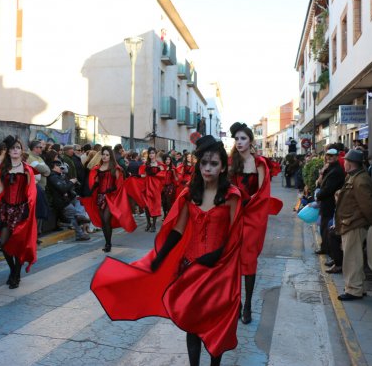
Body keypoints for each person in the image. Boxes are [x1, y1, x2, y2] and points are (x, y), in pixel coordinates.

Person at [91, 136, 242, 365]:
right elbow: (178, 231)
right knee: (192, 323)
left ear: (223, 167)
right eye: (204, 163)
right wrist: (159, 258)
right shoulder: (191, 194)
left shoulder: (231, 196)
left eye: (213, 163)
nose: (208, 168)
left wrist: (213, 259)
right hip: (189, 268)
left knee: (214, 324)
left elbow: (234, 238)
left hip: (218, 271)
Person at [228, 122, 283, 325]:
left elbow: (261, 194)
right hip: (234, 216)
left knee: (249, 260)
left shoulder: (259, 163)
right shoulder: (230, 162)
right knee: (232, 261)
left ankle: (248, 304)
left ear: (250, 140)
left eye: (243, 138)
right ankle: (237, 303)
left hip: (251, 217)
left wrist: (246, 203)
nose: (239, 142)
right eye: (237, 139)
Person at [0, 136, 37, 289]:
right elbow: (0, 188)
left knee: (18, 244)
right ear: (8, 151)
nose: (15, 150)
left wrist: (27, 208)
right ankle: (14, 270)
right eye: (12, 148)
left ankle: (16, 274)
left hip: (21, 210)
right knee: (5, 243)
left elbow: (30, 192)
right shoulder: (4, 168)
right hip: (5, 210)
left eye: (17, 148)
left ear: (21, 151)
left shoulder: (26, 169)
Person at [334, 149, 372, 301]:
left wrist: (369, 221)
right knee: (355, 257)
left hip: (354, 224)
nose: (343, 163)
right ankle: (358, 286)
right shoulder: (355, 177)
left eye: (345, 161)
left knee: (352, 258)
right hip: (351, 223)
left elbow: (368, 205)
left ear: (350, 163)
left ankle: (353, 290)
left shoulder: (360, 180)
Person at [81, 146, 136, 252]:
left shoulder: (115, 168)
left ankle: (108, 244)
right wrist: (95, 185)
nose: (105, 156)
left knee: (106, 219)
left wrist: (111, 189)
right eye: (103, 154)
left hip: (111, 198)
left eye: (107, 155)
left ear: (110, 156)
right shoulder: (98, 168)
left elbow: (119, 184)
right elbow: (95, 182)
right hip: (100, 197)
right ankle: (107, 242)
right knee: (103, 222)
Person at [315, 147, 345, 274]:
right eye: (328, 155)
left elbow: (328, 189)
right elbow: (319, 184)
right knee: (324, 228)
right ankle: (327, 250)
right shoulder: (329, 169)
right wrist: (322, 173)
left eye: (332, 156)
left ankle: (332, 255)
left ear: (337, 157)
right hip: (326, 203)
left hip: (330, 204)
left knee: (328, 229)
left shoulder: (336, 170)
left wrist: (318, 195)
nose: (329, 157)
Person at [46, 158, 90, 241]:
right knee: (73, 214)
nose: (61, 168)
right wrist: (71, 182)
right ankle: (80, 233)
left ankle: (79, 216)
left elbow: (67, 187)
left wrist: (70, 181)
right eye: (60, 167)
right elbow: (63, 188)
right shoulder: (53, 177)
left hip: (66, 199)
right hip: (60, 202)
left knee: (79, 201)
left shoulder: (59, 176)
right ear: (54, 167)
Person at [161, 154, 178, 220]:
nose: (168, 161)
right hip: (162, 187)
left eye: (169, 159)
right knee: (163, 202)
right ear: (164, 160)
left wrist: (174, 173)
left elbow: (176, 179)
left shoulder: (173, 168)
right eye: (166, 159)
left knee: (168, 201)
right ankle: (165, 214)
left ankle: (169, 215)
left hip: (170, 186)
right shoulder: (162, 167)